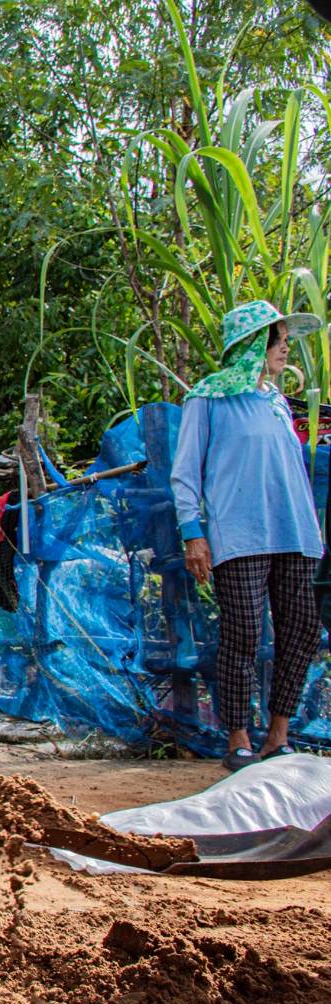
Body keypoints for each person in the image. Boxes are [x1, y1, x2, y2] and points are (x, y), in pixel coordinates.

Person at [172, 300, 326, 772]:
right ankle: (237, 736)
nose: (284, 348)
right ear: (251, 344)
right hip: (238, 535)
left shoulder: (277, 402)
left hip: (294, 534)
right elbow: (185, 472)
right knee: (241, 633)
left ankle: (277, 735)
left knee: (300, 630)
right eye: (277, 340)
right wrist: (193, 533)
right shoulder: (209, 398)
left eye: (284, 340)